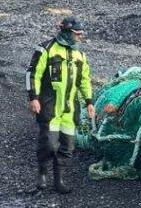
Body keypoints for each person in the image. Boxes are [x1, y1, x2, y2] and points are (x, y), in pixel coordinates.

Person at [26, 16, 95, 193]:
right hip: (49, 105)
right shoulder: (46, 49)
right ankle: (42, 174)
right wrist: (33, 97)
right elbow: (33, 74)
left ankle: (59, 181)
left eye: (81, 34)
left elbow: (85, 80)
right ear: (66, 31)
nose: (80, 37)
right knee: (48, 143)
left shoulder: (80, 55)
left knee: (67, 146)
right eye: (77, 34)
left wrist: (89, 101)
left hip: (70, 109)